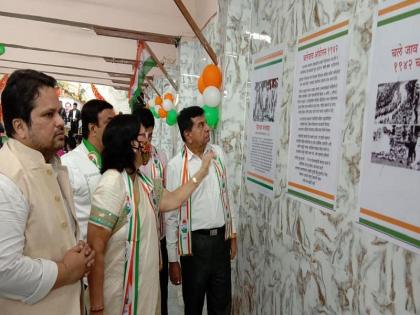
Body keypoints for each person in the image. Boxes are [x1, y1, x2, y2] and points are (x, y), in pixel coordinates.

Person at [87, 114, 214, 315]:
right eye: (143, 136)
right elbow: (96, 247)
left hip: (144, 286)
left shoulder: (144, 181)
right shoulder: (112, 182)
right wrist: (96, 305)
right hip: (119, 294)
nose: (148, 141)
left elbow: (172, 199)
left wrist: (202, 171)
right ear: (129, 143)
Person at [0, 69, 95, 314]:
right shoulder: (7, 178)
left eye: (60, 113)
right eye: (48, 114)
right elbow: (4, 269)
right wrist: (65, 271)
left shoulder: (51, 163)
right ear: (19, 127)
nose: (61, 122)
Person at [166, 106, 237, 315]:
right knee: (194, 304)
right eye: (201, 125)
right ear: (187, 135)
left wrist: (233, 234)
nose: (208, 128)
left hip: (220, 243)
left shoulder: (218, 154)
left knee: (222, 304)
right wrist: (172, 259)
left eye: (206, 123)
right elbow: (170, 215)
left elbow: (228, 195)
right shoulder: (176, 166)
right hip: (194, 247)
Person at [62, 99, 115, 241]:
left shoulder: (116, 160)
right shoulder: (68, 164)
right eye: (109, 123)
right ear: (93, 128)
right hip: (85, 252)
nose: (115, 128)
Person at [135, 107, 169, 315]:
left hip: (160, 235)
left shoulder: (160, 157)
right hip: (139, 237)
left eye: (151, 134)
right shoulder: (130, 158)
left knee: (160, 293)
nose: (147, 140)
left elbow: (166, 195)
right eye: (143, 135)